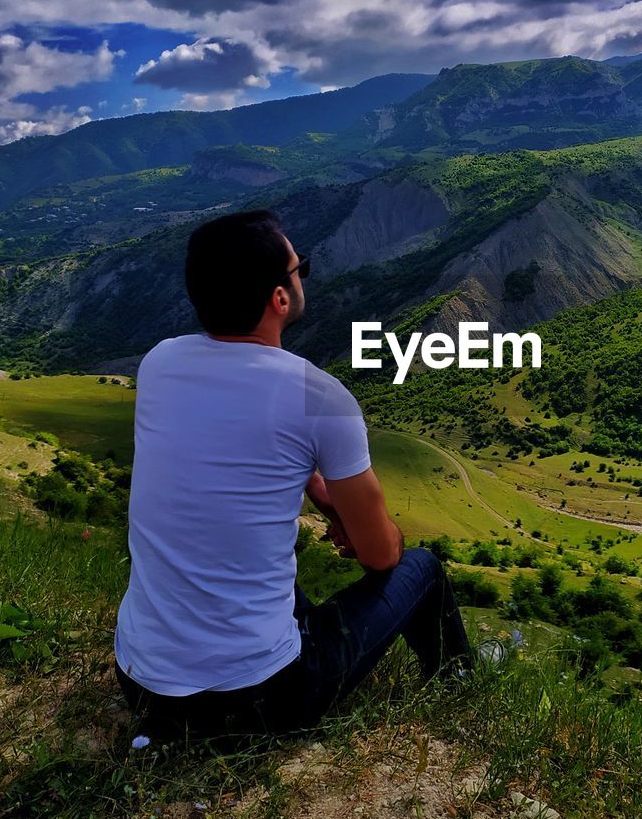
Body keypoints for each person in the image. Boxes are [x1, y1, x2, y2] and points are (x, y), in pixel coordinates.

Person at [113, 209, 474, 743]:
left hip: (140, 681)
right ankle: (460, 691)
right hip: (260, 700)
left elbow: (241, 437)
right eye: (298, 267)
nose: (302, 274)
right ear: (280, 298)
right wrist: (360, 523)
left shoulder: (159, 363)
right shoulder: (321, 398)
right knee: (421, 569)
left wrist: (325, 499)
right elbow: (382, 556)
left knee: (259, 576)